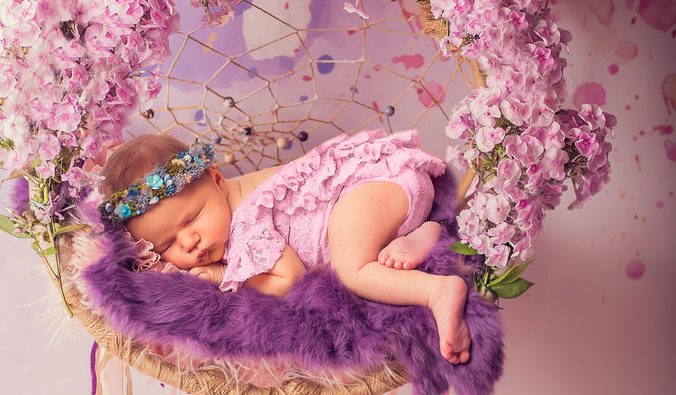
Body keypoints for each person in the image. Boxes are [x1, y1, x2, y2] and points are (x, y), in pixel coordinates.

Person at [100, 130, 471, 364]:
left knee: (352, 269)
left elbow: (291, 278)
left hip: (370, 186)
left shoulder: (245, 221)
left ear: (217, 180)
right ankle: (420, 232)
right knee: (359, 240)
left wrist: (222, 276)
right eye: (167, 243)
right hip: (394, 195)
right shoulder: (223, 201)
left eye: (192, 218)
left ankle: (437, 291)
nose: (189, 241)